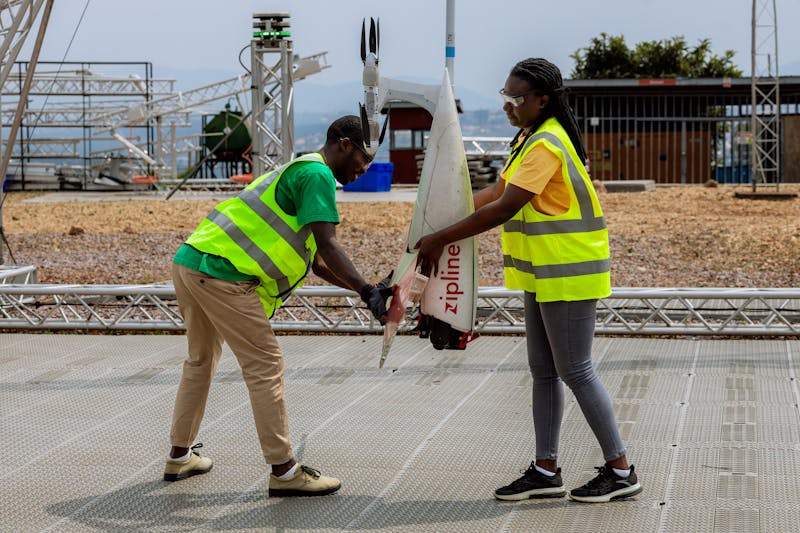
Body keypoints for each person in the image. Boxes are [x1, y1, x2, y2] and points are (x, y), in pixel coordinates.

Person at [415, 58, 643, 504]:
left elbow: (504, 209)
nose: (508, 105)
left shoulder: (546, 145)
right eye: (505, 96)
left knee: (576, 370)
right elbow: (497, 193)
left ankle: (620, 470)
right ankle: (545, 468)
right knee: (543, 370)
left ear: (543, 100)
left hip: (568, 273)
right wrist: (437, 218)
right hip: (545, 272)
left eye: (516, 98)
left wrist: (440, 238)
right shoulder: (529, 138)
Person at [163, 115, 391, 497]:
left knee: (200, 361)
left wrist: (364, 291)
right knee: (265, 365)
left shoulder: (299, 169)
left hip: (191, 261)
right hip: (224, 274)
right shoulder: (317, 176)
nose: (365, 169)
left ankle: (179, 455)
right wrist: (368, 289)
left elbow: (319, 262)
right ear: (346, 144)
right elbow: (329, 244)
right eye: (364, 158)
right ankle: (284, 471)